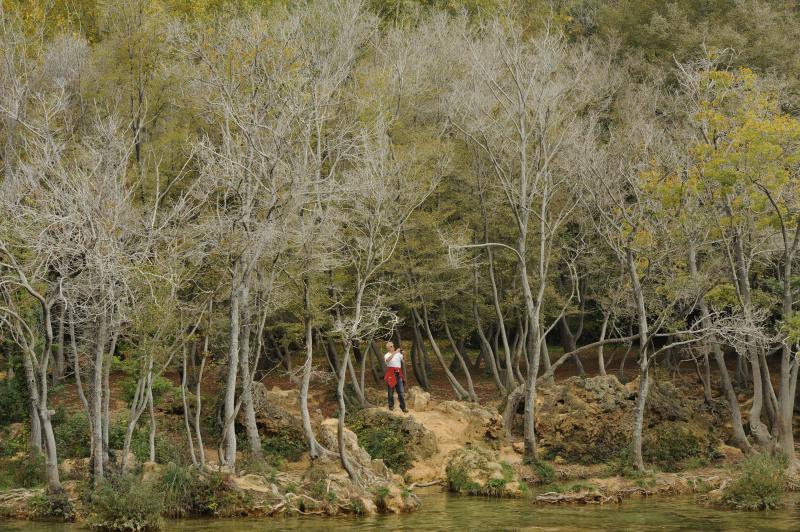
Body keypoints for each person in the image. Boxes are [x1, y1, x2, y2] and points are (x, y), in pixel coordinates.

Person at [383, 341, 407, 413]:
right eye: (391, 346)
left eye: (393, 346)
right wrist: (395, 352)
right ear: (388, 348)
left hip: (398, 374)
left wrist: (404, 354)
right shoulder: (386, 355)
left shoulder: (398, 354)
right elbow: (388, 360)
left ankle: (403, 407)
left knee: (401, 392)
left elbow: (404, 360)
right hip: (391, 374)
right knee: (390, 392)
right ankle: (391, 406)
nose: (393, 347)